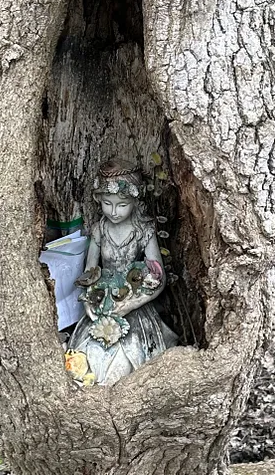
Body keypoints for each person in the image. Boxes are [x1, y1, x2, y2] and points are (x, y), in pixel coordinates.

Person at [68, 158, 175, 385]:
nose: (114, 211)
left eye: (122, 205)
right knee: (90, 355)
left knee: (130, 357)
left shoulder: (143, 230)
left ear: (135, 202)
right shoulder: (100, 230)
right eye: (108, 203)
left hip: (132, 297)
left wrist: (130, 305)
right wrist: (89, 304)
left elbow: (159, 277)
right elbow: (90, 271)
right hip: (102, 300)